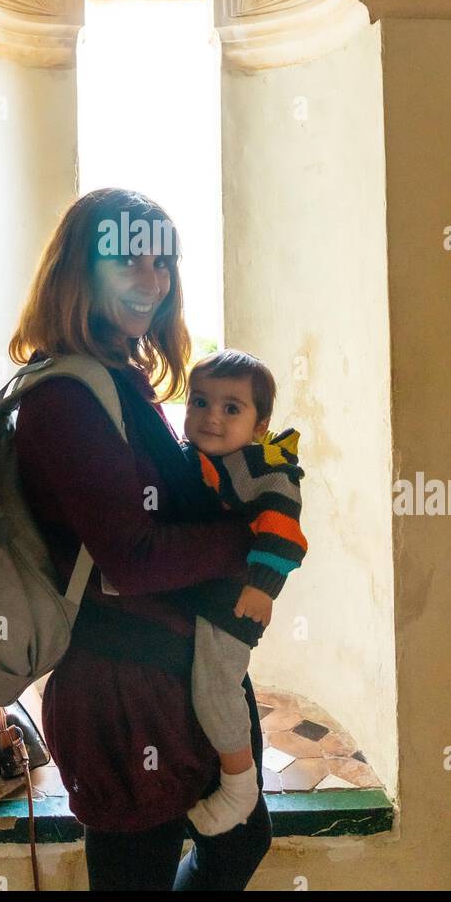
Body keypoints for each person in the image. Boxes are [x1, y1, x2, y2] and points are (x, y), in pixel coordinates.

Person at [9, 186, 273, 890]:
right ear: (80, 271)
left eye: (163, 263)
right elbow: (134, 555)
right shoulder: (64, 400)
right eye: (128, 259)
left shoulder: (117, 380)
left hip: (168, 672)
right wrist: (247, 540)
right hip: (123, 691)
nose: (151, 281)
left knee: (240, 842)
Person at [177, 350, 307, 836]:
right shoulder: (199, 458)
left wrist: (262, 587)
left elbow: (285, 531)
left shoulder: (263, 468)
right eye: (201, 401)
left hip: (234, 603)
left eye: (232, 408)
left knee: (213, 688)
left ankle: (240, 785)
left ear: (260, 425)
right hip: (208, 599)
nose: (212, 415)